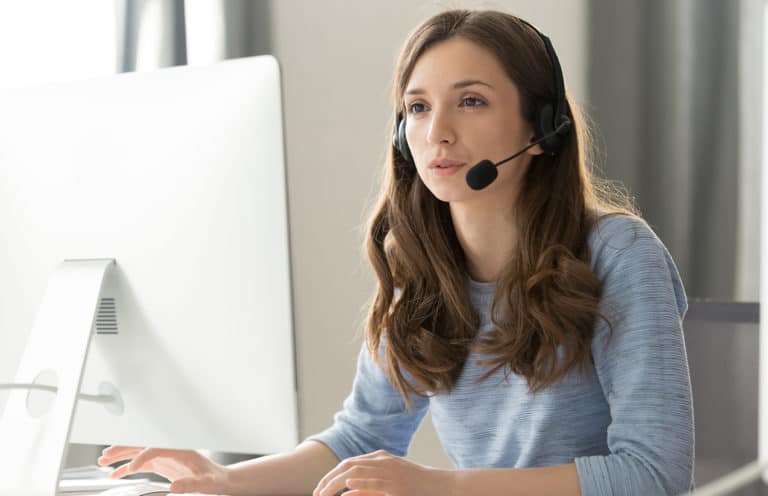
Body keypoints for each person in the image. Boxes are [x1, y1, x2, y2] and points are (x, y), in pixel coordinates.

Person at [97, 9, 694, 496]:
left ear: (542, 129)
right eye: (417, 107)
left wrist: (444, 487)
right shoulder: (424, 275)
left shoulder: (618, 253)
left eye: (471, 101)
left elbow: (652, 474)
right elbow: (359, 438)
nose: (437, 132)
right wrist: (224, 479)